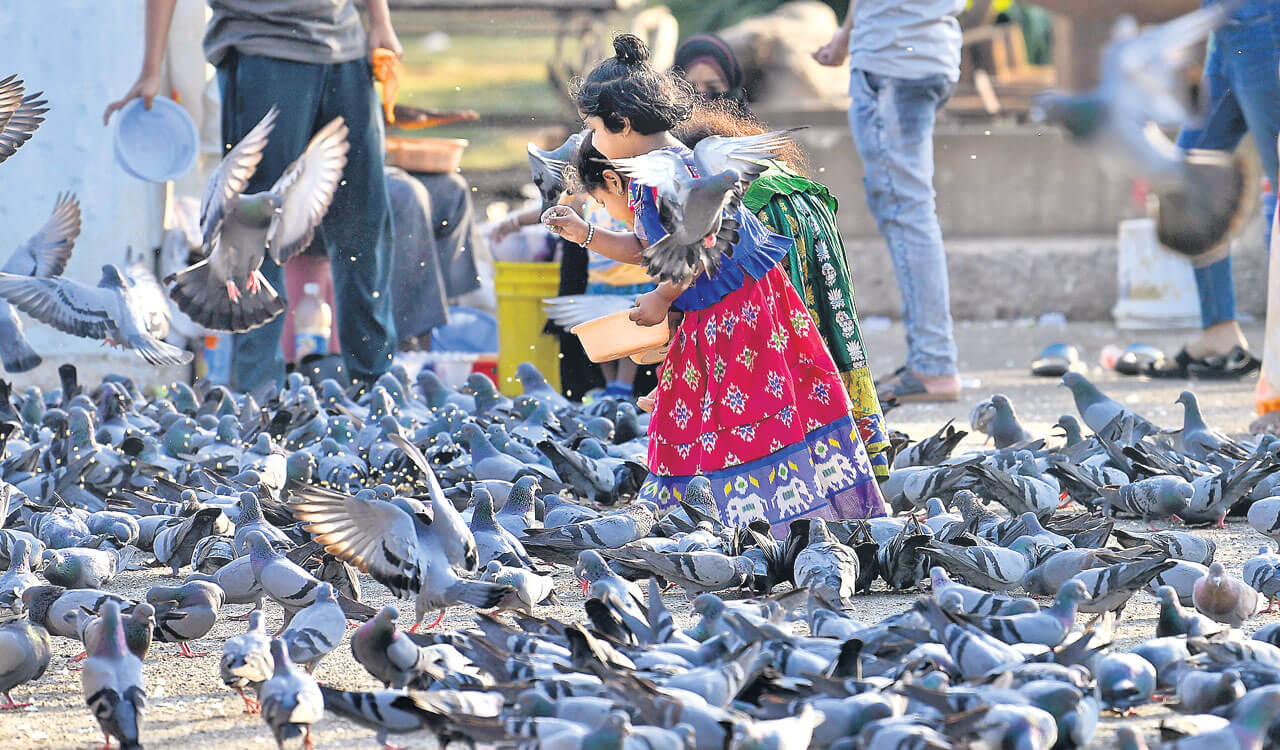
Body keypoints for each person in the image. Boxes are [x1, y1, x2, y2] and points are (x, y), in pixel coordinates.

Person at [545, 35, 886, 534]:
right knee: (687, 411)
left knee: (751, 414)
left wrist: (660, 301)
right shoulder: (654, 171)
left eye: (592, 128)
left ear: (622, 125)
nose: (589, 140)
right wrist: (589, 233)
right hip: (724, 311)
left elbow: (695, 252)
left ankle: (768, 523)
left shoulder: (665, 177)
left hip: (741, 315)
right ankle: (684, 518)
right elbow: (654, 250)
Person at [105, 0, 401, 392]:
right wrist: (151, 69)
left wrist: (379, 20)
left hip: (345, 45)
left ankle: (375, 384)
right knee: (252, 229)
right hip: (263, 46)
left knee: (365, 222)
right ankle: (256, 396)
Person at [676, 103, 892, 483]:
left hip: (765, 221)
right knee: (820, 332)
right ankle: (845, 462)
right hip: (810, 214)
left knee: (770, 346)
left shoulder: (680, 174)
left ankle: (795, 473)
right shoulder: (750, 157)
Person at [814, 0, 964, 403]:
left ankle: (933, 364)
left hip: (893, 60)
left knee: (907, 211)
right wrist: (847, 35)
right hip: (930, 52)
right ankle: (931, 360)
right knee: (907, 208)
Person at [1151, 0, 1280, 380]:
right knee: (1187, 176)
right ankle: (1220, 331)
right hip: (1229, 32)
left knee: (1278, 187)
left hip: (1266, 28)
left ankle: (1277, 368)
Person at [671, 33, 747, 110]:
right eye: (689, 89)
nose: (701, 100)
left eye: (712, 88)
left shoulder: (749, 121)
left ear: (732, 87)